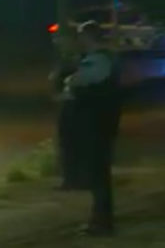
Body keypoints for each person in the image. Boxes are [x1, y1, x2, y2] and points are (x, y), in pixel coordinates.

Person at [64, 21, 121, 236]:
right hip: (99, 126)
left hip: (97, 127)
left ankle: (102, 223)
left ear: (88, 37)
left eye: (81, 36)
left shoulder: (98, 61)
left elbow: (77, 82)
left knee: (99, 177)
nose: (78, 40)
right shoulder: (101, 60)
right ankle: (99, 220)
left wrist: (71, 83)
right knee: (98, 175)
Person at [51, 31, 89, 190]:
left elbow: (78, 81)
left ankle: (75, 179)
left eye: (60, 40)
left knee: (72, 143)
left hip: (74, 105)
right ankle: (71, 178)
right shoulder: (67, 59)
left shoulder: (79, 59)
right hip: (67, 104)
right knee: (67, 143)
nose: (57, 43)